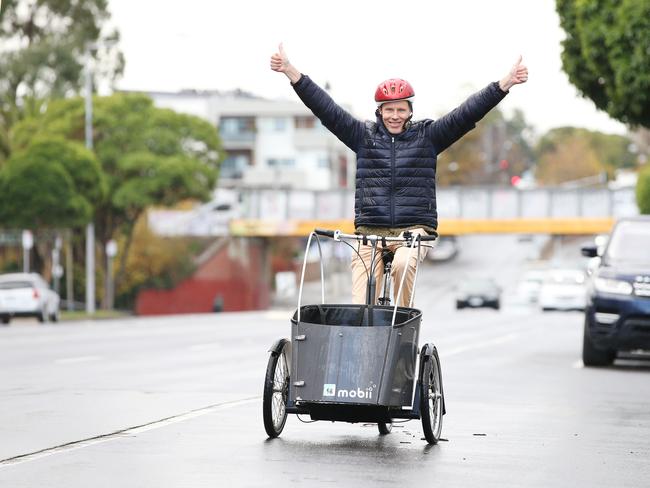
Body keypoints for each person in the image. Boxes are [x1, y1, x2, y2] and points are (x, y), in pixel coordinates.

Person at [270, 44, 528, 307]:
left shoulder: (428, 137)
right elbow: (326, 109)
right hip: (370, 231)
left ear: (410, 111)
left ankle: (402, 319)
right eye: (389, 109)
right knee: (361, 302)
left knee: (403, 264)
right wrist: (291, 72)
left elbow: (467, 113)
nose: (395, 116)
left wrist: (504, 84)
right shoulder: (363, 137)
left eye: (401, 110)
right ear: (380, 111)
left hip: (413, 231)